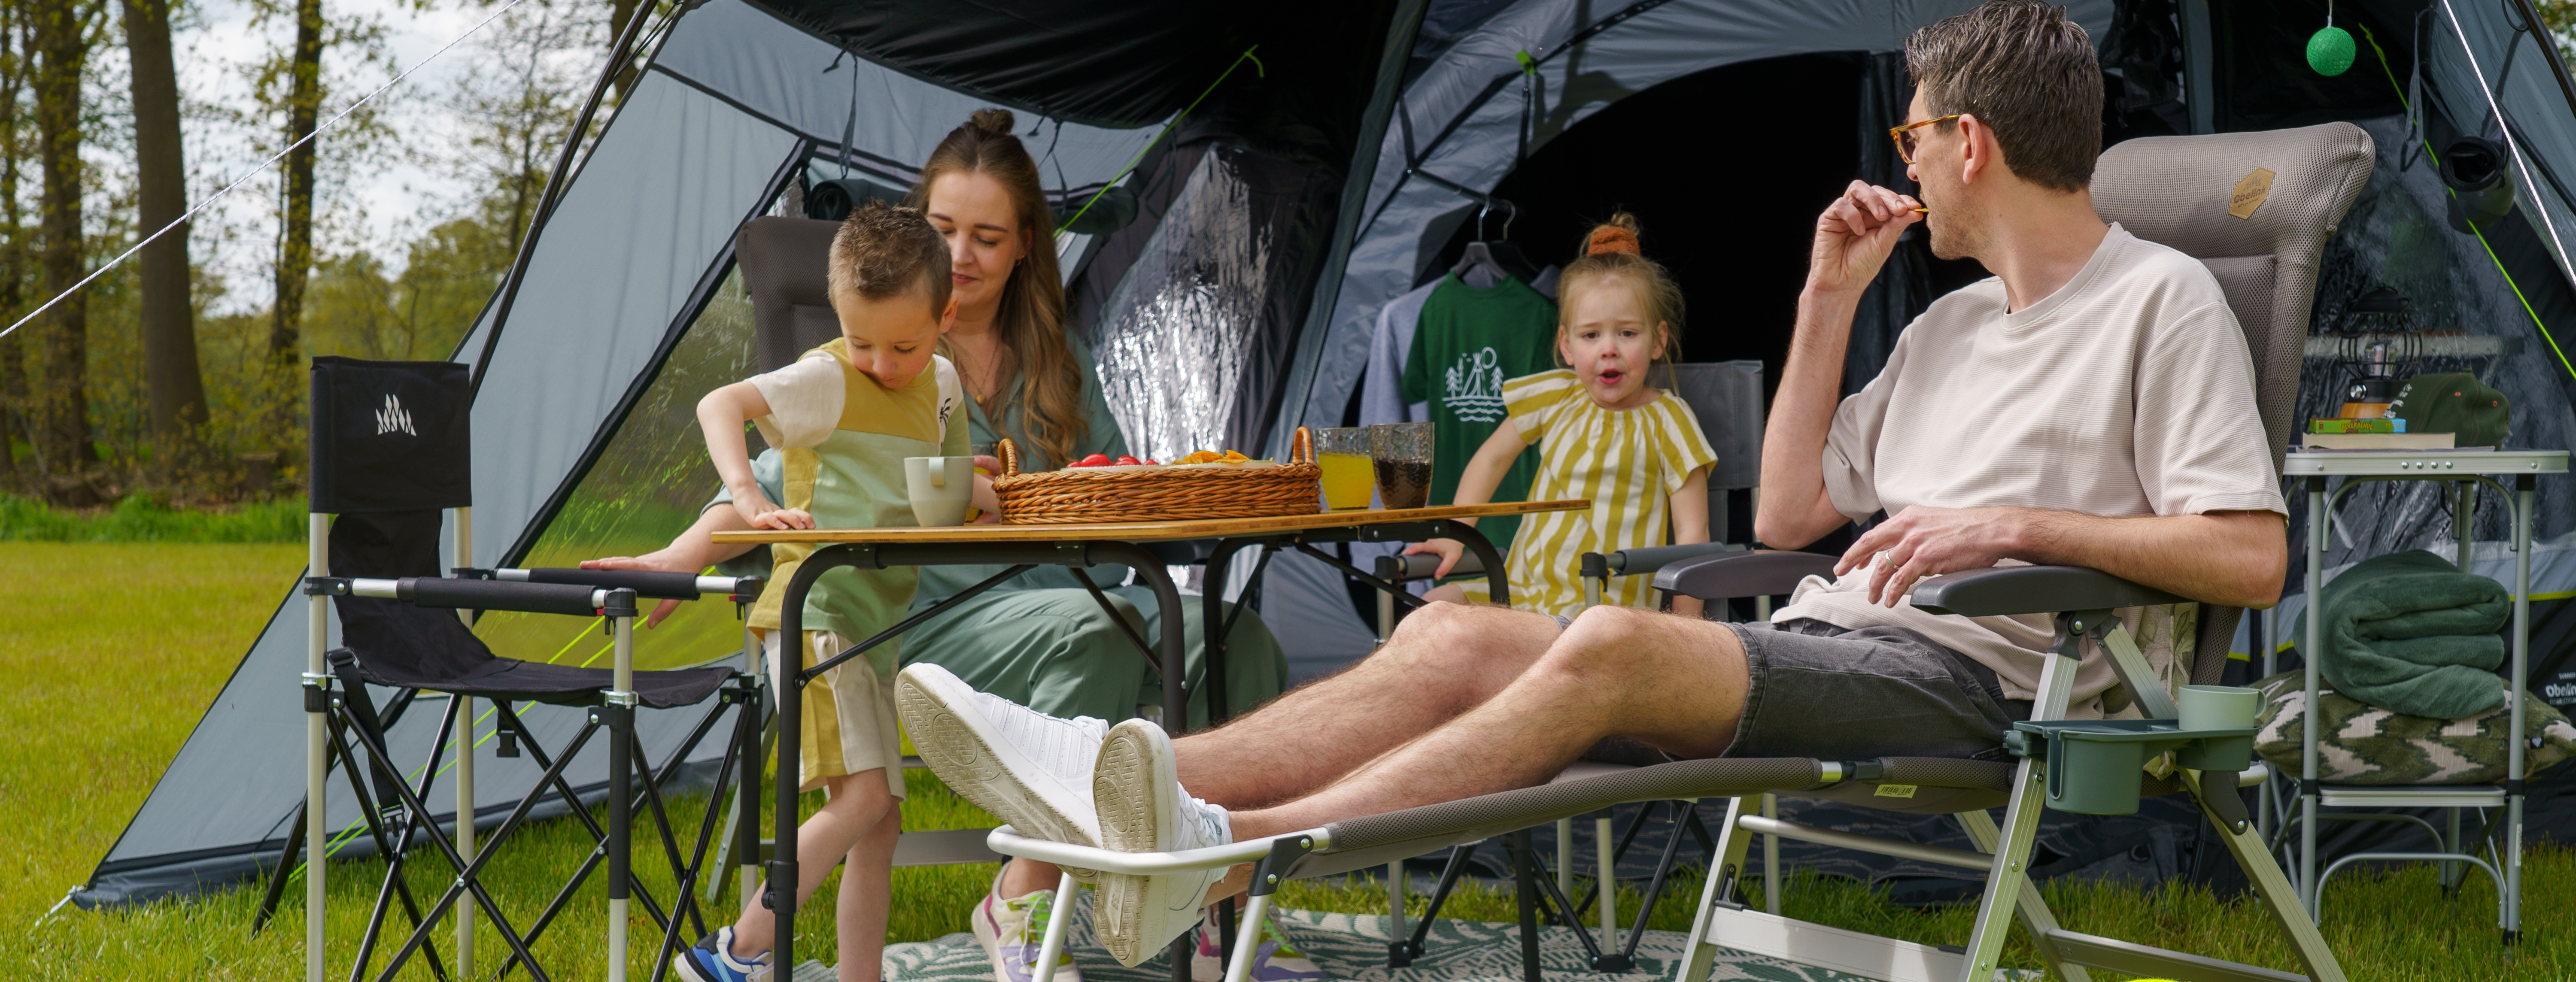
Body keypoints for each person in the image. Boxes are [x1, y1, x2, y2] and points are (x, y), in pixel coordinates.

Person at [895, 0, 2292, 964]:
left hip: (1984, 682)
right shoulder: (1949, 325)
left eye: (1914, 137)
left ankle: (1230, 849)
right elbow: (1792, 517)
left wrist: (2015, 525)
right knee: (1450, 636)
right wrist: (1824, 300)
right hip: (1835, 642)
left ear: (1969, 144)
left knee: (1614, 641)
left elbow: (2250, 555)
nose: (1906, 159)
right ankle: (1102, 783)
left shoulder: (2158, 303)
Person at [592, 109, 1293, 982]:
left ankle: (1225, 901)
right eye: (944, 229)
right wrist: (684, 554)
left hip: (1071, 597)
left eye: (987, 237)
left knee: (1232, 634)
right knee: (1095, 635)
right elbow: (784, 475)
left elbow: (1107, 481)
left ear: (1027, 246)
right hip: (919, 621)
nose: (961, 254)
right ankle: (1023, 894)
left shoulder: (1058, 362)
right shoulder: (885, 357)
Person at [674, 202, 973, 982]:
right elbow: (720, 404)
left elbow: (948, 491)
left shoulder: (942, 384)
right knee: (866, 800)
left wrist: (993, 493)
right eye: (861, 339)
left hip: (876, 628)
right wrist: (747, 494)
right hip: (816, 617)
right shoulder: (829, 379)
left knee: (880, 823)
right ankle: (734, 953)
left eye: (903, 346)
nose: (881, 363)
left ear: (946, 318)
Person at [1406, 213, 1716, 620]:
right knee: (1430, 608)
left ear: (1658, 341)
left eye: (1627, 333)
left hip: (1605, 612)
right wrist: (1457, 535)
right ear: (1567, 346)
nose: (1609, 349)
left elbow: (1693, 534)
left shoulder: (1668, 420)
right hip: (1521, 592)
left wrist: (1687, 628)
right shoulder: (1555, 396)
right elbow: (1492, 458)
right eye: (1591, 335)